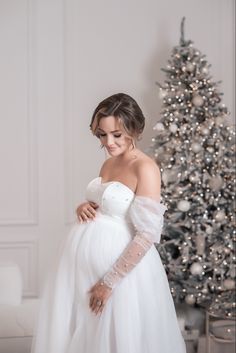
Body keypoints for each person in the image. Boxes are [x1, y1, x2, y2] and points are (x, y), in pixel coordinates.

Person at [31, 93, 186, 353]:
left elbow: (147, 233)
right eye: (102, 134)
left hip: (118, 276)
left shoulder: (145, 168)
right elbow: (107, 206)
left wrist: (109, 282)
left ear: (133, 129)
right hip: (78, 271)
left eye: (116, 134)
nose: (108, 142)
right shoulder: (109, 163)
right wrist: (83, 206)